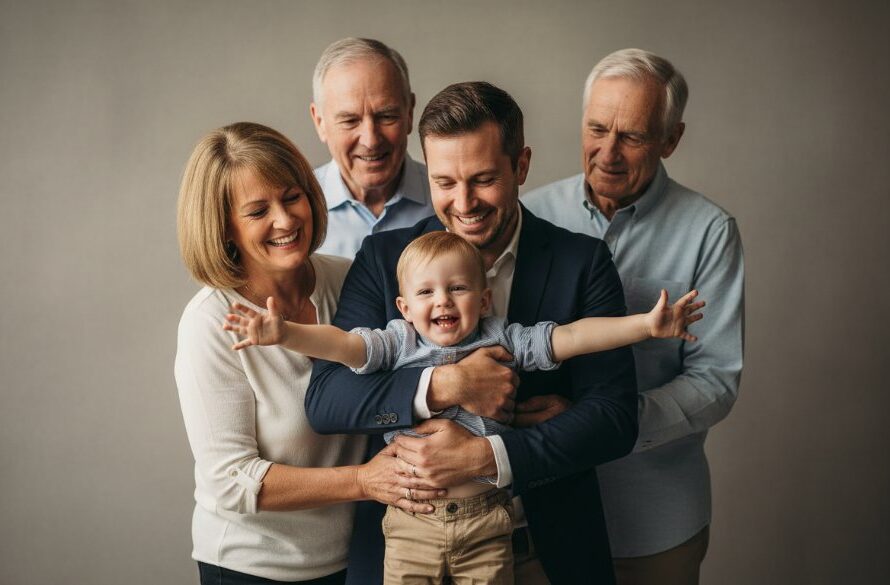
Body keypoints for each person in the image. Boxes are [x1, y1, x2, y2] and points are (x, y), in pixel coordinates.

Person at [225, 230, 703, 584]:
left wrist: (644, 326)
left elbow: (572, 336)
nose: (443, 301)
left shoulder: (504, 337)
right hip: (412, 521)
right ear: (404, 307)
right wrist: (285, 334)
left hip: (486, 520)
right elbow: (344, 347)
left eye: (457, 288)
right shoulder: (398, 342)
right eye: (426, 292)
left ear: (484, 297)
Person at [306, 82, 639, 585]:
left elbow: (613, 417)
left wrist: (491, 453)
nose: (464, 204)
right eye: (444, 182)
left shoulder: (581, 262)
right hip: (406, 551)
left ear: (521, 166)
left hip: (544, 553)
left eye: (483, 179)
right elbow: (328, 399)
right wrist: (446, 386)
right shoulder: (383, 259)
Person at [174, 122, 443, 585]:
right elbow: (230, 479)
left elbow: (409, 371)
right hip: (251, 567)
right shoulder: (209, 322)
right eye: (258, 211)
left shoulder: (348, 281)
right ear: (225, 229)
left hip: (356, 558)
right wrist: (362, 480)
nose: (285, 220)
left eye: (291, 196)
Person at [523, 48, 745, 585]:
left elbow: (715, 379)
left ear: (671, 139)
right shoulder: (529, 212)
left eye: (633, 136)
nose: (608, 152)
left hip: (654, 520)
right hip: (538, 514)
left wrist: (597, 424)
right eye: (597, 128)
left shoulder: (710, 231)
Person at [310, 37, 433, 259]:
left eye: (386, 116)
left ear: (409, 113)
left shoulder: (450, 203)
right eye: (349, 121)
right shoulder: (296, 214)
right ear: (320, 122)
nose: (371, 140)